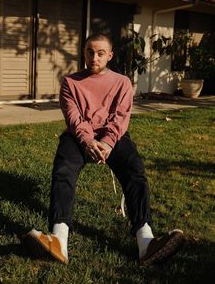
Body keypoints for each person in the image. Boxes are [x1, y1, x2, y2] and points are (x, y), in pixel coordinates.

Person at [23, 33, 184, 266]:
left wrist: (108, 143)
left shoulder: (122, 82)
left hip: (113, 136)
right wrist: (89, 142)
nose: (94, 57)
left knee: (134, 170)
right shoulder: (70, 82)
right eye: (90, 52)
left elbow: (120, 118)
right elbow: (74, 119)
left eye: (100, 53)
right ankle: (59, 239)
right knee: (63, 171)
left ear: (110, 55)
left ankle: (146, 242)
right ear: (84, 52)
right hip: (80, 136)